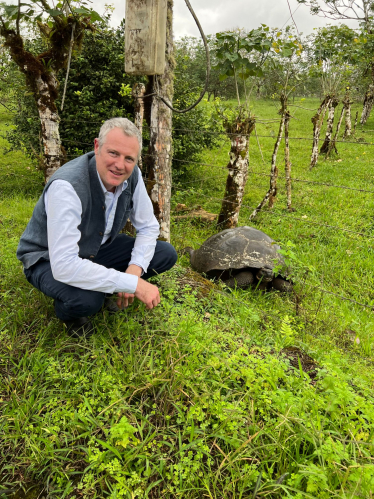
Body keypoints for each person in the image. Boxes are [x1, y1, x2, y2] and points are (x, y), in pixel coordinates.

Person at [17, 117, 178, 337]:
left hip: (95, 248)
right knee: (88, 299)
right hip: (47, 259)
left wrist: (134, 271)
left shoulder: (133, 176)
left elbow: (149, 227)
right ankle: (69, 312)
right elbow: (63, 264)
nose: (120, 165)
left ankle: (109, 287)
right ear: (97, 146)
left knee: (165, 253)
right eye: (113, 153)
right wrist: (134, 285)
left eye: (129, 158)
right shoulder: (67, 186)